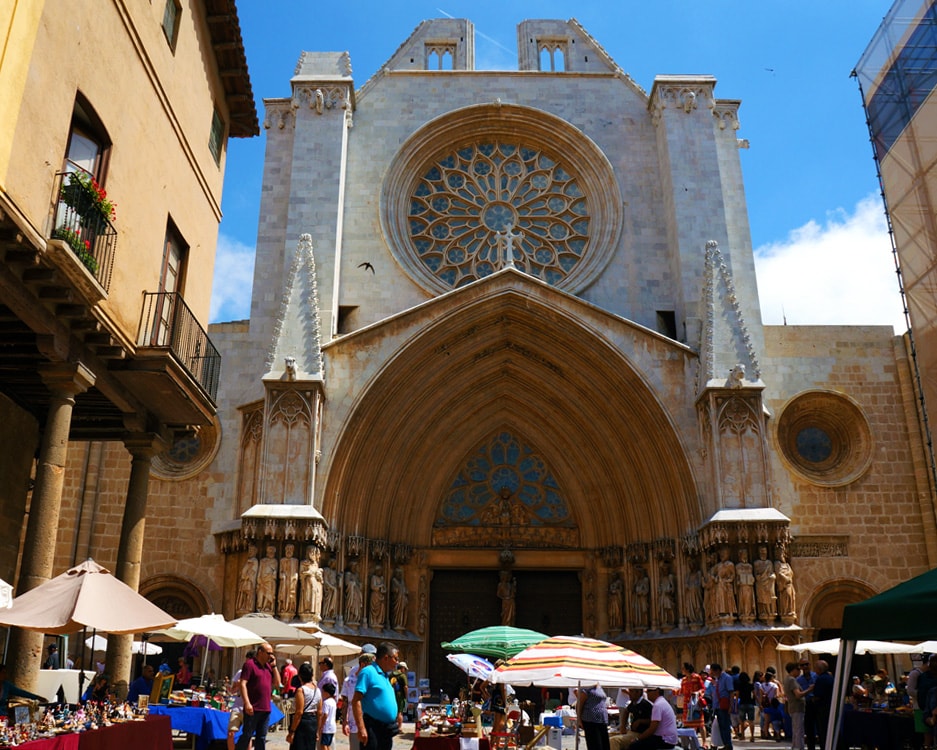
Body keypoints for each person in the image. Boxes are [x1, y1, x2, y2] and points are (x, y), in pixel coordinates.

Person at [352, 641, 400, 750]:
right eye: (396, 659)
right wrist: (361, 728)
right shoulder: (368, 672)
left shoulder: (385, 675)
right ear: (386, 658)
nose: (397, 662)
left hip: (386, 730)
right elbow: (356, 700)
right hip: (373, 728)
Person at [236, 642, 282, 750]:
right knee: (247, 735)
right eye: (268, 653)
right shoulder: (250, 664)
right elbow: (243, 684)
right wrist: (247, 703)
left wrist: (274, 666)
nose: (271, 656)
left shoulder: (268, 667)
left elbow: (277, 683)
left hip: (265, 708)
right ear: (260, 652)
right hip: (253, 708)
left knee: (261, 737)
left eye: (272, 653)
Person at [343, 645, 377, 750]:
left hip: (371, 723)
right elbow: (345, 699)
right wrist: (345, 720)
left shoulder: (377, 674)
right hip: (354, 723)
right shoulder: (352, 674)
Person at [287, 661, 322, 750]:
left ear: (300, 676)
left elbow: (299, 712)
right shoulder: (318, 690)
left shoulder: (301, 690)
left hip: (303, 723)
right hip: (313, 722)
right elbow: (319, 712)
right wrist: (318, 730)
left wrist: (292, 731)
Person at [227, 649, 254, 750]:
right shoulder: (240, 672)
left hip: (249, 707)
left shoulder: (256, 674)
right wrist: (237, 684)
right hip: (237, 707)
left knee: (248, 735)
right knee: (230, 733)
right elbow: (233, 691)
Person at [783, 662, 813, 750]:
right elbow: (798, 695)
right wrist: (809, 689)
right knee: (799, 729)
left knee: (796, 729)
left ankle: (795, 746)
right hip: (797, 707)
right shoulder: (792, 680)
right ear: (793, 670)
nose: (800, 671)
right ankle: (799, 747)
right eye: (798, 669)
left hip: (793, 707)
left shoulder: (787, 679)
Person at [679, 663, 707, 746]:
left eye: (683, 668)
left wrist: (697, 693)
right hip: (686, 705)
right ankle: (691, 743)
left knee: (700, 724)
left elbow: (703, 688)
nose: (682, 670)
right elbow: (681, 691)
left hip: (695, 704)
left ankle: (704, 742)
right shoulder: (683, 680)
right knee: (688, 724)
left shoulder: (697, 677)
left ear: (687, 669)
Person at [578, 684, 610, 750]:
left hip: (602, 720)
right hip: (591, 720)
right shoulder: (586, 688)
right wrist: (579, 720)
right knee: (595, 745)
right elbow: (579, 704)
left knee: (605, 745)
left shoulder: (600, 687)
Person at [710, 664, 735, 750]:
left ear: (717, 670)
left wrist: (731, 706)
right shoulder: (718, 679)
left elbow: (731, 692)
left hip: (724, 706)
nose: (711, 673)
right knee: (721, 726)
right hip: (718, 706)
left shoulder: (727, 678)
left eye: (712, 671)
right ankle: (725, 744)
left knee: (725, 726)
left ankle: (728, 745)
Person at [796, 659, 818, 750]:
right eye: (802, 665)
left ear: (810, 665)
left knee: (820, 726)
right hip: (807, 704)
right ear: (800, 667)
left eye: (806, 664)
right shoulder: (798, 679)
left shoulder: (816, 676)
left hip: (817, 704)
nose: (805, 667)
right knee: (809, 728)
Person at [813, 660, 834, 750]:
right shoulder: (830, 677)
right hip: (830, 707)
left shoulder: (821, 679)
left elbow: (818, 695)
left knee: (823, 730)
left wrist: (813, 699)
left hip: (823, 709)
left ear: (819, 669)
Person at [736, 672, 756, 742]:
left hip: (742, 704)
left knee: (742, 721)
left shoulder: (739, 686)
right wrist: (755, 701)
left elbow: (737, 695)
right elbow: (754, 694)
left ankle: (743, 736)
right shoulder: (750, 685)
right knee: (751, 721)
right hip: (750, 703)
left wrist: (735, 704)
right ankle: (752, 736)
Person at [389, 660, 408, 726]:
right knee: (400, 712)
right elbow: (405, 687)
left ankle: (392, 725)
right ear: (402, 668)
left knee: (392, 710)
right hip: (400, 695)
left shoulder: (391, 674)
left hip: (391, 694)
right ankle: (399, 727)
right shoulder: (402, 676)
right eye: (405, 669)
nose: (405, 671)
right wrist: (406, 696)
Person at [319, 682, 338, 750]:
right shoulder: (333, 702)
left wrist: (321, 725)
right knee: (328, 744)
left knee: (323, 745)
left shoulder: (326, 702)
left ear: (327, 693)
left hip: (326, 727)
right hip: (332, 726)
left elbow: (325, 715)